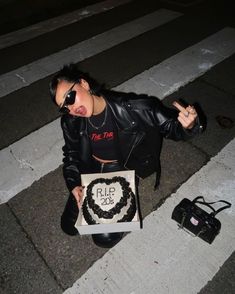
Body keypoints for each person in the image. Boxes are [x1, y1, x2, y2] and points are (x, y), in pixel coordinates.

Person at [49, 63, 203, 248]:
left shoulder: (132, 109)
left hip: (120, 168)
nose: (71, 108)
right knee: (69, 227)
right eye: (64, 107)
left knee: (104, 239)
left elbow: (171, 127)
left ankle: (124, 194)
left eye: (70, 97)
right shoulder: (71, 122)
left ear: (84, 84)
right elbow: (71, 154)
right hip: (91, 169)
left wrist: (189, 125)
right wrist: (74, 184)